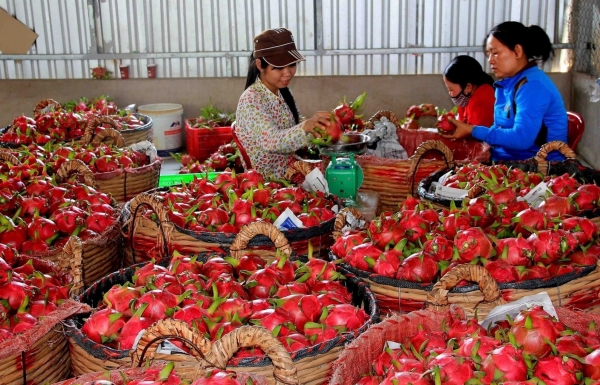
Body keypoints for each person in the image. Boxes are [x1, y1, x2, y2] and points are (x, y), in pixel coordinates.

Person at [443, 22, 568, 161]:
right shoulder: (505, 86)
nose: (490, 60)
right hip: (507, 160)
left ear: (517, 51)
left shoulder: (533, 86)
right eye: (488, 54)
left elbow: (522, 138)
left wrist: (473, 130)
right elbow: (499, 130)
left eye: (495, 53)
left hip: (537, 168)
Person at [235, 27, 331, 178]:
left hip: (291, 167)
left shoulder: (283, 91)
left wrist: (319, 129)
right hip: (270, 181)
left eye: (292, 65)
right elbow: (272, 142)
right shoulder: (251, 100)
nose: (287, 73)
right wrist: (306, 127)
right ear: (260, 65)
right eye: (279, 67)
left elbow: (296, 128)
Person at [442, 55, 495, 127]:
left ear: (468, 87)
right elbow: (461, 122)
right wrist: (437, 114)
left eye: (451, 89)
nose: (449, 93)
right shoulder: (467, 97)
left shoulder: (481, 100)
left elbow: (476, 134)